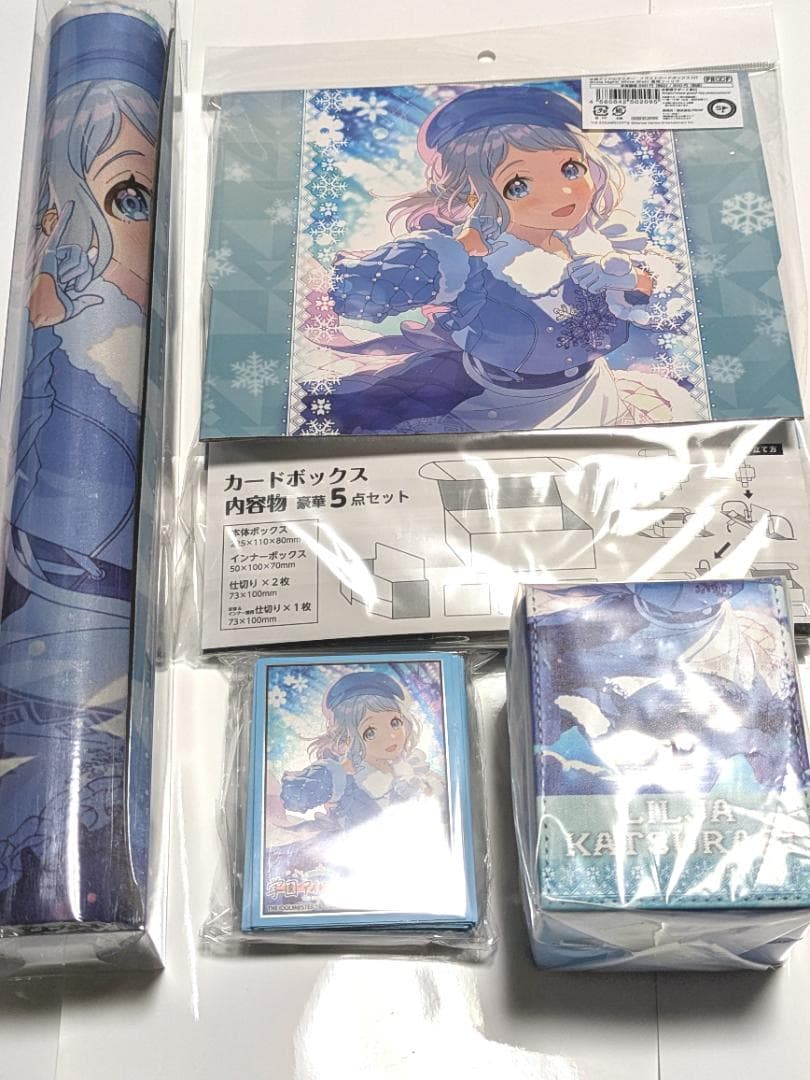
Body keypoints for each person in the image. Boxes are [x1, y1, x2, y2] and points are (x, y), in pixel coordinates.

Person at [0, 9, 165, 925]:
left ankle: (75, 883)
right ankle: (51, 884)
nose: (87, 246)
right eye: (57, 214)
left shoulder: (109, 369)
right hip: (51, 639)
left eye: (129, 199)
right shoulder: (64, 374)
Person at [302, 85, 701, 433]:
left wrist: (634, 281)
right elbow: (356, 294)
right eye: (519, 184)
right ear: (474, 194)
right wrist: (457, 251)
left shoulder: (599, 242)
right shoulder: (469, 259)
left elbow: (676, 302)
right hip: (491, 408)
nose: (563, 194)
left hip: (595, 392)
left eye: (570, 168)